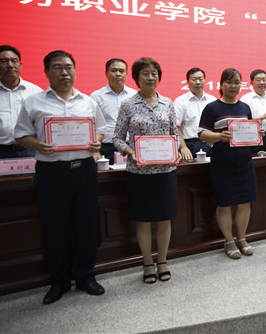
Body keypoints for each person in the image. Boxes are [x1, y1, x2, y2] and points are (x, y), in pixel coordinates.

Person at [14, 50, 106, 304]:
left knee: (86, 224)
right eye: (57, 67)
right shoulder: (33, 102)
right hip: (52, 172)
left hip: (84, 170)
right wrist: (38, 145)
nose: (64, 72)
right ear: (46, 72)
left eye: (68, 67)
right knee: (55, 226)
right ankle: (59, 281)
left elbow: (100, 130)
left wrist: (96, 142)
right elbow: (21, 135)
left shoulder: (88, 101)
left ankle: (86, 276)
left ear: (75, 70)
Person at [113, 57, 178, 284]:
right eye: (145, 73)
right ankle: (148, 262)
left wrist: (176, 151)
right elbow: (117, 138)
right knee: (143, 219)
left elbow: (174, 135)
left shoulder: (168, 103)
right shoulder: (128, 104)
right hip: (139, 172)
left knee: (164, 218)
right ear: (136, 78)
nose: (151, 77)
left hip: (165, 171)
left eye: (154, 73)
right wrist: (131, 152)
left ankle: (163, 260)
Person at [198, 68, 262, 258]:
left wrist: (257, 134)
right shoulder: (212, 108)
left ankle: (241, 238)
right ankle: (228, 241)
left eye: (237, 82)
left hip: (244, 161)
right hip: (222, 162)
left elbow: (248, 131)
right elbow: (202, 133)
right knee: (224, 204)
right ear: (221, 85)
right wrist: (219, 136)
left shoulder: (245, 108)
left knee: (244, 202)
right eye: (229, 82)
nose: (233, 86)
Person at [0, 45, 42, 174]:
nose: (10, 65)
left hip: (29, 151)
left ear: (20, 65)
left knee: (30, 185)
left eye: (14, 61)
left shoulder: (36, 92)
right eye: (4, 61)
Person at [90, 58, 137, 165]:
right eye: (114, 70)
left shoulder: (135, 96)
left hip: (131, 148)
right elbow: (91, 125)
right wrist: (95, 151)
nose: (118, 74)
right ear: (106, 73)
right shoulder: (96, 96)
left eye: (121, 71)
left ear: (126, 74)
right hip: (106, 148)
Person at [173, 67, 216, 160]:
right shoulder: (180, 101)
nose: (198, 82)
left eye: (200, 79)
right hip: (191, 145)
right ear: (187, 82)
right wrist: (183, 147)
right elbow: (175, 126)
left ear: (205, 81)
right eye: (194, 79)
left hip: (211, 144)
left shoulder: (212, 100)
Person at [240, 69, 266, 153]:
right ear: (251, 83)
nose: (262, 82)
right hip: (254, 138)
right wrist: (263, 116)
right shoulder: (245, 99)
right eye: (258, 80)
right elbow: (244, 120)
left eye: (264, 80)